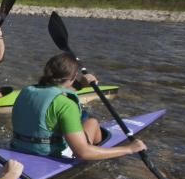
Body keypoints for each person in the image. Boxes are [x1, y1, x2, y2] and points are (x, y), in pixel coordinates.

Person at [11, 52, 146, 160]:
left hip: (18, 147)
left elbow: (52, 92)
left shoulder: (27, 91)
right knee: (92, 123)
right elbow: (83, 153)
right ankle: (100, 154)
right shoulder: (66, 104)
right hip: (47, 155)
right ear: (73, 76)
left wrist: (80, 85)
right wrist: (129, 149)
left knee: (89, 120)